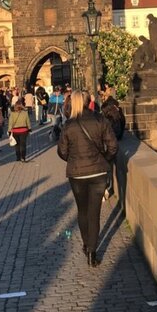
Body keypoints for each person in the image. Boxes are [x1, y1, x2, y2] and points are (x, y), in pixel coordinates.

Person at [57, 89, 118, 267]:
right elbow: (113, 146)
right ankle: (92, 251)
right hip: (98, 172)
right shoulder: (100, 119)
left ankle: (86, 244)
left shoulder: (69, 125)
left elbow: (62, 151)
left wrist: (73, 160)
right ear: (88, 101)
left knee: (82, 210)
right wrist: (104, 159)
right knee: (94, 213)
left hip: (77, 174)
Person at [8, 98, 31, 163]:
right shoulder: (25, 113)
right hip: (24, 130)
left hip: (15, 131)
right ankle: (23, 157)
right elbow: (28, 121)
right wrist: (29, 129)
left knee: (17, 144)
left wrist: (9, 131)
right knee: (23, 144)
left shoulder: (12, 113)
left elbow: (10, 123)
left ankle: (18, 157)